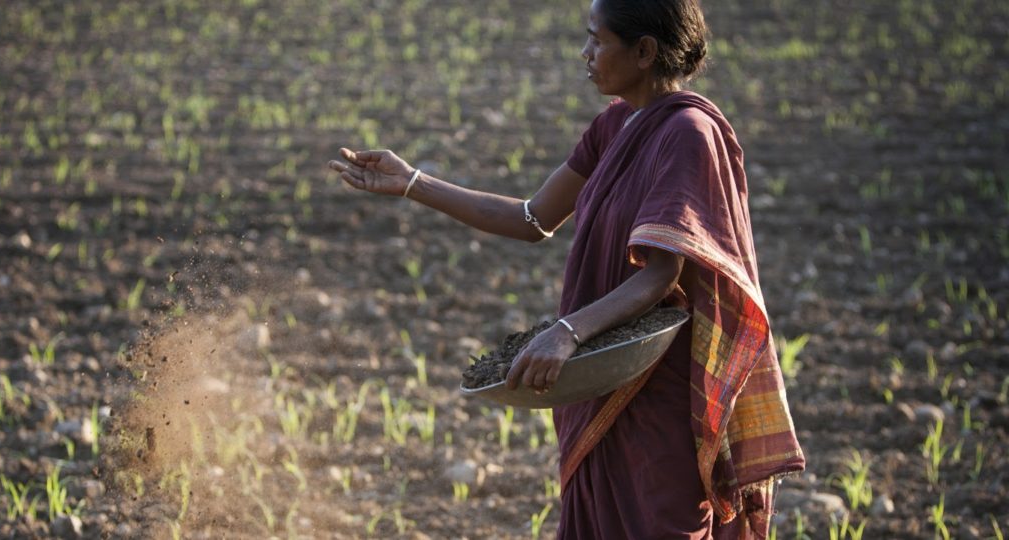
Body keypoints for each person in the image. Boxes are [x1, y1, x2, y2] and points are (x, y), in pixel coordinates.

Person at [327, 0, 804, 536]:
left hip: (656, 382)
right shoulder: (615, 126)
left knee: (664, 522)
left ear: (644, 51)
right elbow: (532, 218)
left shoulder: (688, 133)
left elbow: (659, 274)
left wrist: (567, 332)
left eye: (597, 41)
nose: (586, 53)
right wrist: (413, 182)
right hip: (600, 372)